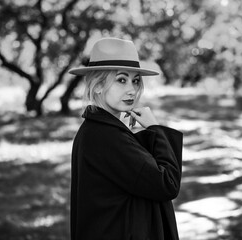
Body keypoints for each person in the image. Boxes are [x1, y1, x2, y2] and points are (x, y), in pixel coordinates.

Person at [68, 37, 183, 240]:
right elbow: (167, 183)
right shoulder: (105, 136)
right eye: (121, 80)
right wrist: (155, 129)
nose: (131, 89)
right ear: (98, 86)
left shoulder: (96, 129)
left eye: (135, 80)